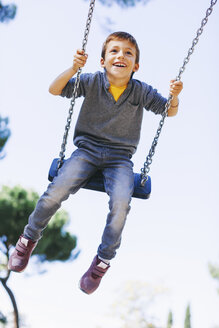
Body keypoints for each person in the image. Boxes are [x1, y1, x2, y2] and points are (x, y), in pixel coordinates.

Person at [8, 31, 183, 294]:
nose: (120, 55)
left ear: (136, 65)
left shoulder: (140, 91)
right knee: (56, 191)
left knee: (122, 204)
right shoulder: (90, 81)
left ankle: (102, 262)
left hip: (120, 159)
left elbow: (168, 110)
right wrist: (74, 68)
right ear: (102, 61)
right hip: (86, 151)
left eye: (128, 53)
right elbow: (54, 89)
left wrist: (175, 96)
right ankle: (27, 240)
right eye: (114, 51)